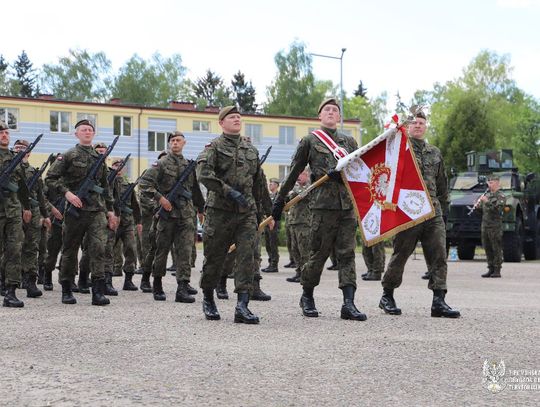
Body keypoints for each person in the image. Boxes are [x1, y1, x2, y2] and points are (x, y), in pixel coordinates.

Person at [271, 97, 366, 321]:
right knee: (318, 254)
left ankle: (349, 303)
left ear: (339, 117)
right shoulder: (310, 141)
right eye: (327, 110)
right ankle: (307, 296)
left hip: (346, 207)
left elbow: (360, 172)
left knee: (347, 254)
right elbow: (294, 171)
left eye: (335, 110)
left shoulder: (349, 142)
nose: (331, 112)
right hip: (322, 206)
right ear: (320, 116)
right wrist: (279, 201)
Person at [378, 111, 460, 318]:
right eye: (414, 122)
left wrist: (445, 207)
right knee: (401, 253)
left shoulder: (434, 152)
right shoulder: (399, 150)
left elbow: (442, 183)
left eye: (421, 123)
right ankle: (387, 295)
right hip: (408, 210)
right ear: (408, 126)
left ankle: (439, 301)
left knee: (439, 254)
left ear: (426, 127)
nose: (418, 126)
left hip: (432, 210)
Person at [196, 106, 273, 323]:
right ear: (221, 122)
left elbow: (259, 183)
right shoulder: (214, 147)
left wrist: (268, 211)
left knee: (247, 257)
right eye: (232, 117)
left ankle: (242, 305)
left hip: (246, 212)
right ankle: (209, 298)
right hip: (220, 212)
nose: (237, 119)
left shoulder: (251, 150)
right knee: (215, 257)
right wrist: (229, 192)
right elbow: (204, 174)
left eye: (239, 117)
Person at [45, 119, 117, 306]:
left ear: (93, 134)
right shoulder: (68, 155)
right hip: (75, 211)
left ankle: (98, 292)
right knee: (70, 250)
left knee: (98, 249)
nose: (87, 132)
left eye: (90, 130)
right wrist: (67, 194)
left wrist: (110, 211)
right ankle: (67, 289)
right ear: (76, 134)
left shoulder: (99, 158)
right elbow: (51, 178)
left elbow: (105, 186)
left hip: (96, 211)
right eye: (83, 130)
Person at [139, 131, 205, 303]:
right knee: (161, 251)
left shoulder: (189, 165)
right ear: (169, 144)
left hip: (186, 215)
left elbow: (195, 190)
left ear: (184, 143)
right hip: (167, 215)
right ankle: (157, 284)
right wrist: (161, 199)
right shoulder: (161, 163)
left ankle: (182, 287)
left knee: (184, 251)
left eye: (178, 140)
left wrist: (201, 210)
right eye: (172, 141)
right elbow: (144, 184)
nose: (175, 143)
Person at [13, 139, 51, 298]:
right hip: (13, 209)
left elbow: (41, 196)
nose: (21, 150)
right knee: (12, 246)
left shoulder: (34, 172)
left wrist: (46, 215)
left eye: (24, 148)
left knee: (31, 246)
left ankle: (30, 282)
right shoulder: (8, 169)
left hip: (34, 212)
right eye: (17, 147)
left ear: (29, 152)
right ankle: (7, 281)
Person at [0, 122, 31, 307]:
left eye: (6, 132)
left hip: (13, 211)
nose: (4, 135)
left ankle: (11, 292)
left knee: (14, 250)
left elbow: (22, 186)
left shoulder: (15, 158)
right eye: (1, 133)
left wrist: (26, 207)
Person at [109, 158, 142, 290]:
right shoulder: (108, 183)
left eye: (121, 166)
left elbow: (135, 205)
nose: (118, 168)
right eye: (116, 165)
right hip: (112, 223)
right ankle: (107, 280)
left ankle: (128, 280)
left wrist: (139, 222)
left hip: (128, 223)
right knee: (108, 251)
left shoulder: (128, 185)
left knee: (131, 250)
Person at [285, 169, 311, 283]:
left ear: (307, 175)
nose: (298, 176)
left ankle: (306, 275)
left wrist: (292, 190)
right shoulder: (295, 188)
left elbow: (302, 194)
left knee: (304, 250)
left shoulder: (310, 186)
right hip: (294, 222)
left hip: (304, 223)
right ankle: (299, 272)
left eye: (301, 174)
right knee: (294, 249)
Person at [479, 175, 506, 278]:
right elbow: (483, 211)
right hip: (485, 225)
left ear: (497, 183)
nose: (489, 185)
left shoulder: (500, 196)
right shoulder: (488, 195)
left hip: (495, 226)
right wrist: (477, 206)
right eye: (488, 183)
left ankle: (497, 269)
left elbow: (498, 209)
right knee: (487, 247)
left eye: (491, 183)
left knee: (496, 247)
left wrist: (487, 202)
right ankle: (490, 268)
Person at [262, 178, 280, 273]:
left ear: (277, 185)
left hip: (274, 222)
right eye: (269, 184)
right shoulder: (268, 196)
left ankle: (274, 265)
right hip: (266, 222)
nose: (270, 185)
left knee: (273, 244)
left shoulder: (279, 196)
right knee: (268, 244)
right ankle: (270, 263)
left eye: (272, 184)